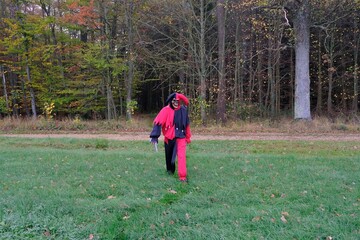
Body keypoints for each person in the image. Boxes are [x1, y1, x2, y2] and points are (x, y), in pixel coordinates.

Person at [150, 92, 192, 182]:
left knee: (181, 156)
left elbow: (187, 125)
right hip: (169, 138)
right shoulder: (166, 110)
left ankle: (182, 177)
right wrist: (154, 136)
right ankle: (170, 170)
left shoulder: (183, 111)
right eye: (174, 101)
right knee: (169, 159)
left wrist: (188, 137)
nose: (176, 103)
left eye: (178, 101)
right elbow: (158, 122)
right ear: (171, 101)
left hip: (181, 137)